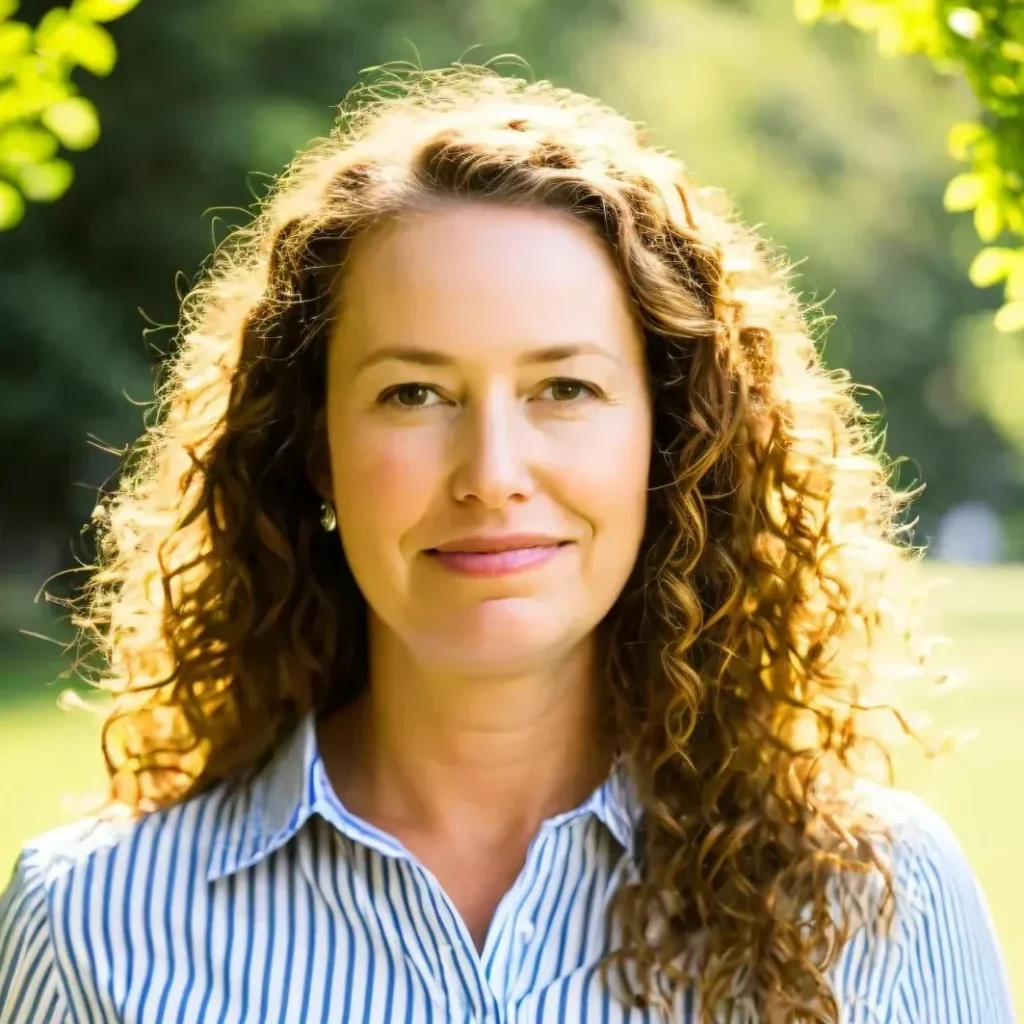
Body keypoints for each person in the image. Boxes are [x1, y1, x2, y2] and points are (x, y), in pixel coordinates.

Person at [0, 65, 1013, 1024]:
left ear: (671, 437)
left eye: (562, 389)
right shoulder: (96, 923)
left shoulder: (876, 901)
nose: (491, 470)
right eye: (414, 394)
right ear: (317, 449)